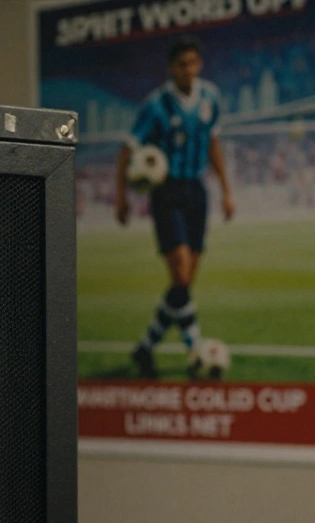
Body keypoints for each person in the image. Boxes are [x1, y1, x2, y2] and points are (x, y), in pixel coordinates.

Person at [116, 35, 234, 379]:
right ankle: (196, 348)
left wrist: (226, 190)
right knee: (180, 273)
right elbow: (127, 150)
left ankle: (145, 348)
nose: (188, 69)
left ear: (199, 65)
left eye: (193, 63)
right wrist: (121, 195)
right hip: (167, 194)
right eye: (182, 64)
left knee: (184, 285)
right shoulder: (156, 105)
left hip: (196, 192)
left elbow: (213, 143)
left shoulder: (210, 96)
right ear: (171, 68)